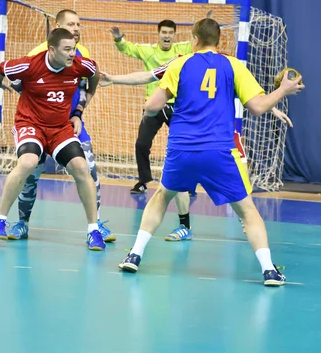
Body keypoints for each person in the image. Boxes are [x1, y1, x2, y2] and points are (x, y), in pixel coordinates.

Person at [117, 18, 304, 286]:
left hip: (182, 149)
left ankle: (134, 255)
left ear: (194, 38)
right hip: (218, 151)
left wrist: (148, 103)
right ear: (220, 41)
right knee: (248, 211)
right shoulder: (233, 65)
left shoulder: (180, 63)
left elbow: (154, 106)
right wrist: (284, 89)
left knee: (161, 197)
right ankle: (269, 271)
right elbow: (259, 107)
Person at [100, 60, 295, 237]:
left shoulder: (223, 65)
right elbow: (148, 76)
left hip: (212, 132)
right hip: (177, 115)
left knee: (238, 169)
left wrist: (272, 107)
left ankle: (241, 215)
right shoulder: (181, 64)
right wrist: (114, 79)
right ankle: (181, 221)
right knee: (163, 164)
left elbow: (249, 95)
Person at [0, 28, 106, 251]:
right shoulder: (29, 65)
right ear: (52, 50)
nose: (73, 54)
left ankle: (94, 230)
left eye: (74, 48)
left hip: (60, 128)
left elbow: (95, 72)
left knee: (81, 167)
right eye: (67, 49)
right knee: (28, 162)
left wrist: (84, 102)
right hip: (30, 124)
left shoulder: (80, 65)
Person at [110, 20, 193, 194]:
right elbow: (128, 48)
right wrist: (119, 39)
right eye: (164, 32)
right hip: (153, 107)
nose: (167, 36)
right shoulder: (148, 51)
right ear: (159, 34)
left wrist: (206, 22)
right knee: (141, 144)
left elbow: (198, 41)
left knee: (185, 145)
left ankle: (188, 184)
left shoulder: (183, 50)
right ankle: (143, 181)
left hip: (176, 107)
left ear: (175, 35)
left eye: (170, 33)